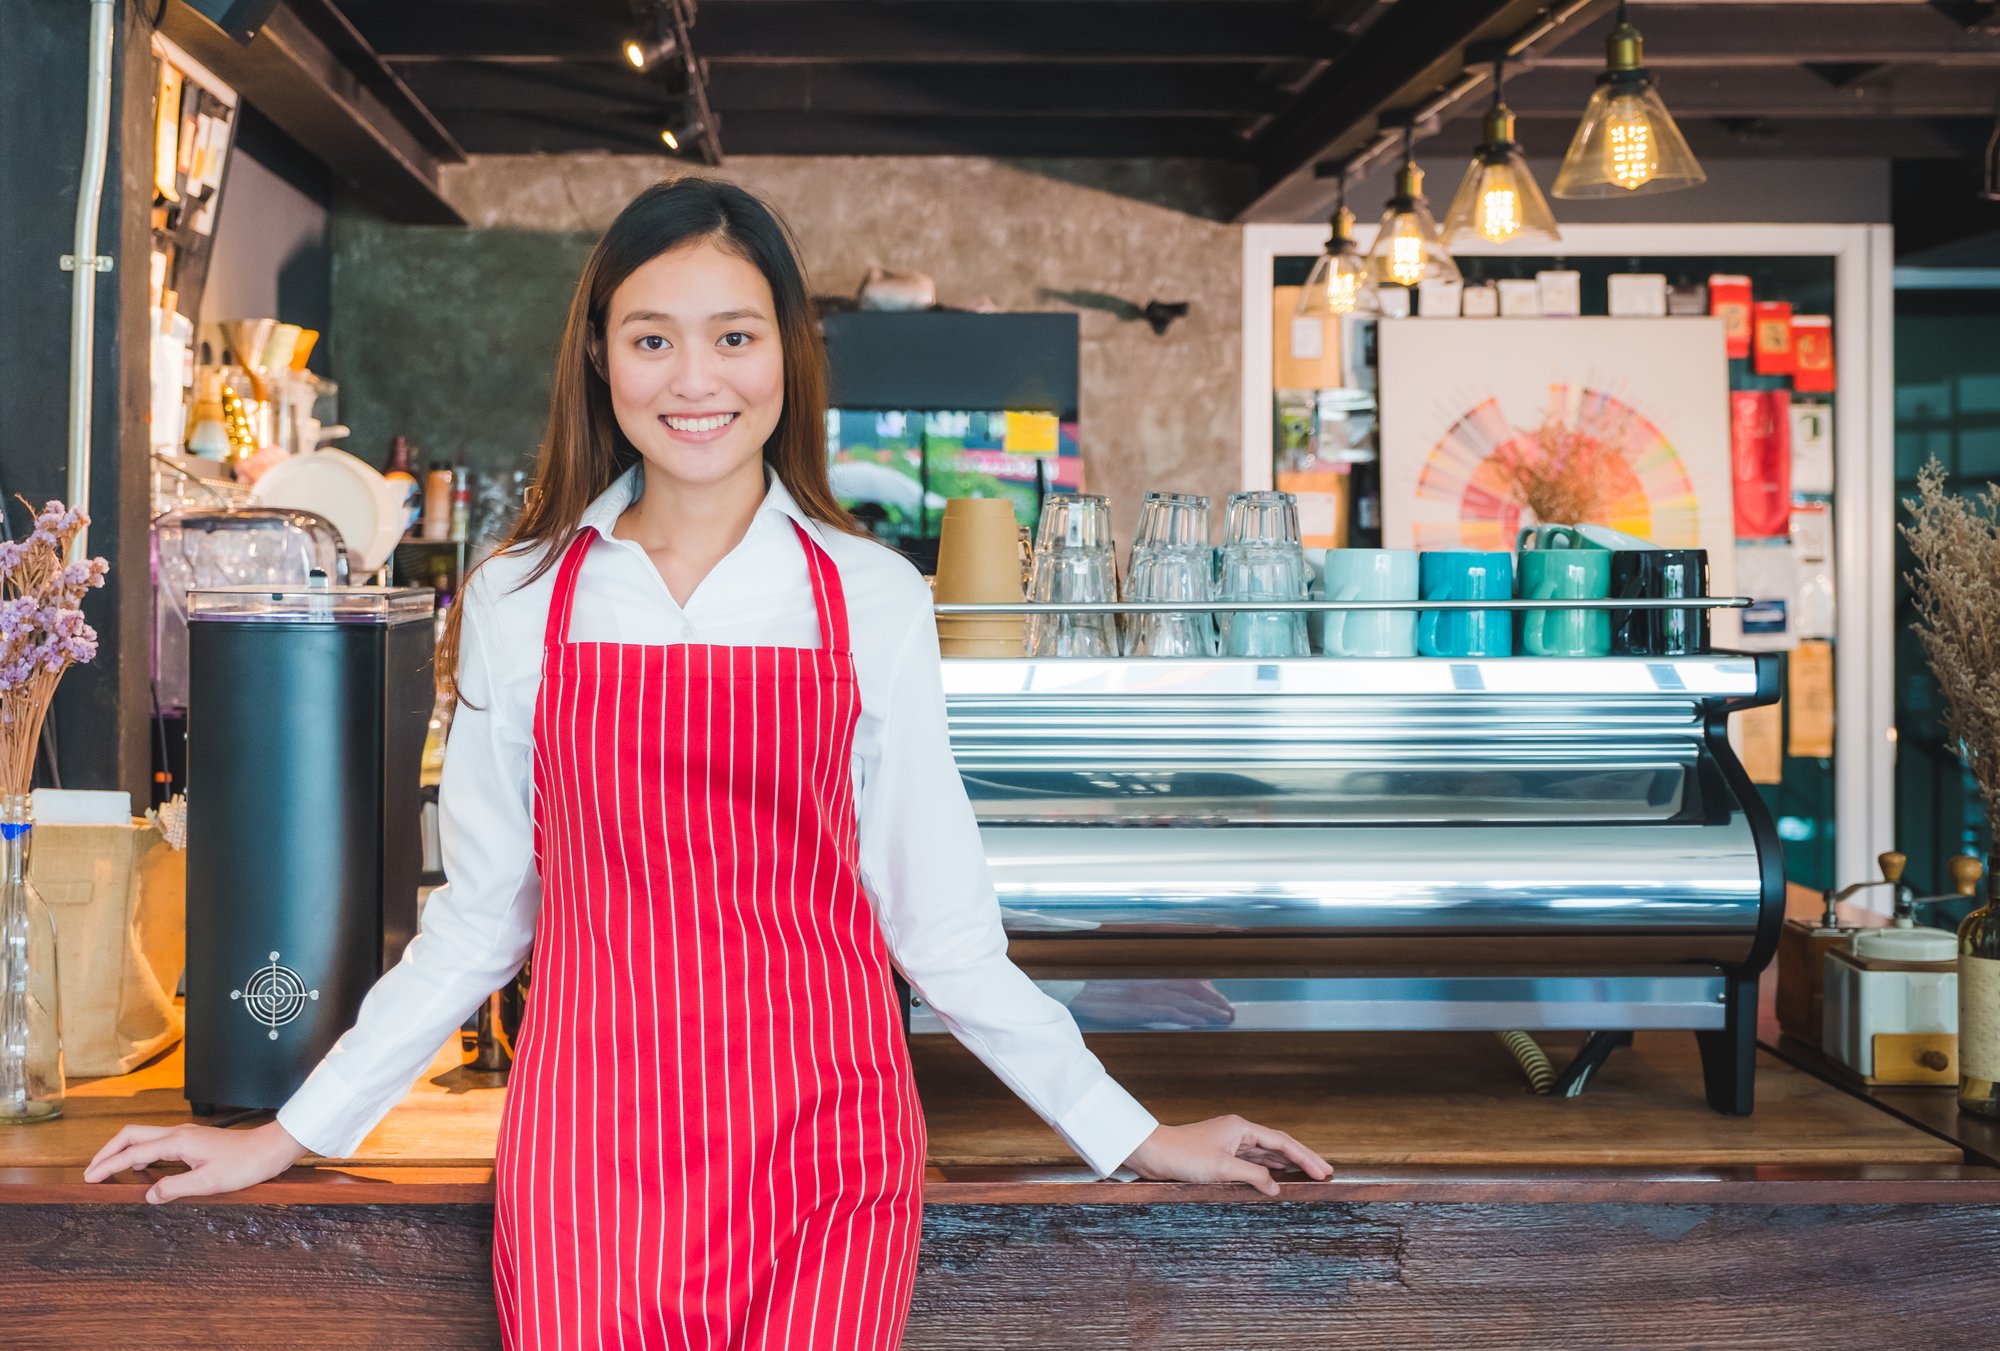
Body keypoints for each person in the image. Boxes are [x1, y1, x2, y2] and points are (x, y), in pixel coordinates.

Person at [86, 178, 1330, 1348]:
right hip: (589, 1156)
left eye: (734, 338)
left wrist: (1131, 1133)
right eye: (652, 339)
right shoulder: (519, 600)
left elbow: (942, 933)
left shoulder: (868, 598)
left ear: (790, 352)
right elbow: (477, 923)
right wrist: (285, 1132)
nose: (695, 379)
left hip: (824, 1153)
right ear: (598, 354)